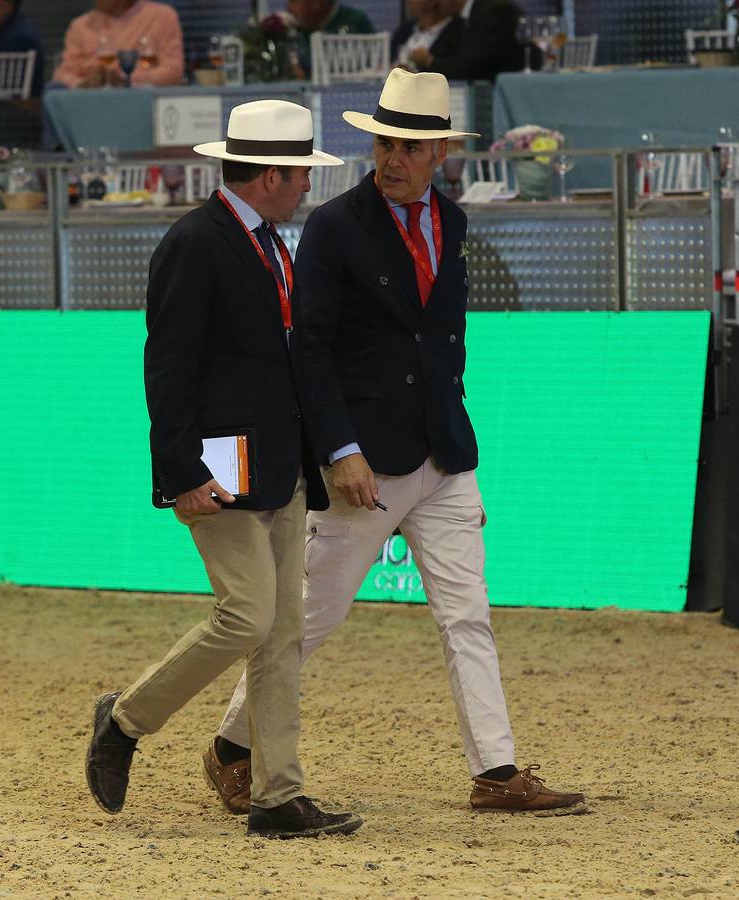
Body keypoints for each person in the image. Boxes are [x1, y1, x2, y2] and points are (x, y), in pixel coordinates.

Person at [202, 69, 588, 817]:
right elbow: (308, 347)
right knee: (311, 616)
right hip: (364, 460)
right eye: (384, 141)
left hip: (444, 451)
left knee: (466, 613)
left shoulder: (454, 220)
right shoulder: (334, 225)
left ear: (440, 150)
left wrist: (450, 415)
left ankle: (496, 770)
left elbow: (441, 335)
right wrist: (339, 448)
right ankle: (231, 748)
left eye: (408, 145)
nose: (391, 157)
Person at [84, 98, 363, 840]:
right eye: (301, 171)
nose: (308, 183)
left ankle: (278, 797)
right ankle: (127, 719)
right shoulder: (195, 243)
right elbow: (167, 365)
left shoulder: (273, 241)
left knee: (281, 633)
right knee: (247, 614)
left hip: (279, 464)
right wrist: (178, 471)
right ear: (271, 173)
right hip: (218, 466)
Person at [53, 0, 184, 88]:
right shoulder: (81, 26)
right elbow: (61, 75)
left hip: (142, 105)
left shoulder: (162, 17)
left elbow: (173, 72)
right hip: (92, 105)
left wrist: (125, 79)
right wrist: (83, 84)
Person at [408, 0, 524, 80]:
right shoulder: (461, 21)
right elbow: (449, 56)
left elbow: (473, 66)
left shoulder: (495, 12)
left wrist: (429, 61)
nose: (437, 2)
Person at [286, 0, 375, 79]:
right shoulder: (291, 30)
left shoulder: (355, 23)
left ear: (316, 2)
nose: (288, 8)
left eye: (294, 1)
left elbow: (378, 63)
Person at [392, 0, 460, 71]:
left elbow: (461, 67)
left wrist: (428, 61)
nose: (408, 1)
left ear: (432, 2)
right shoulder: (404, 29)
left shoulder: (458, 31)